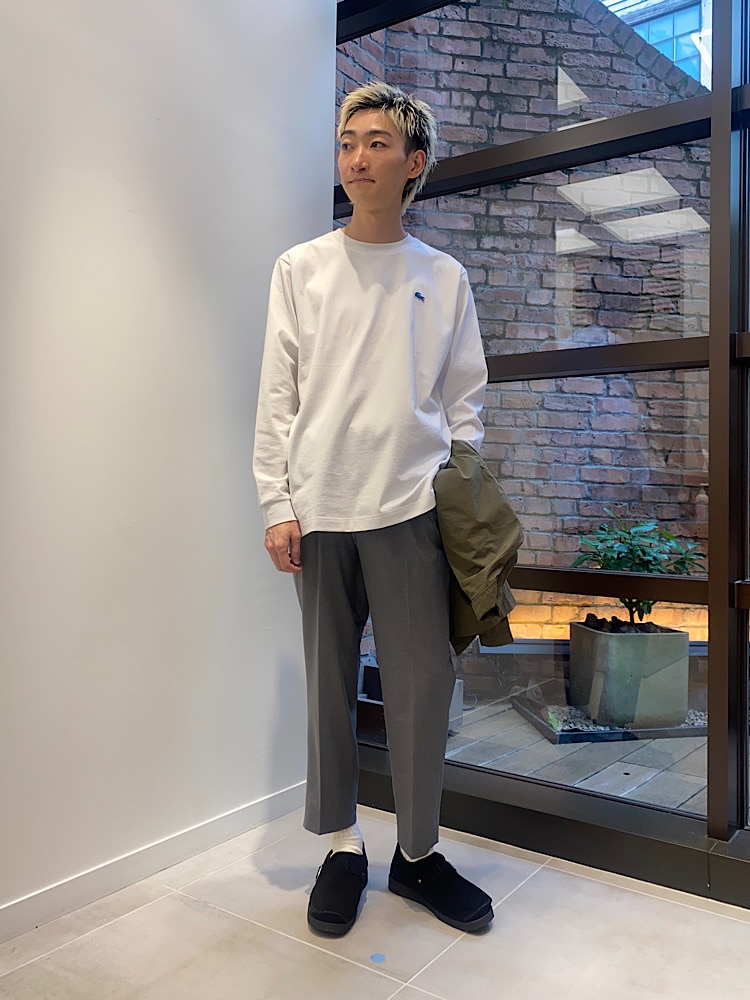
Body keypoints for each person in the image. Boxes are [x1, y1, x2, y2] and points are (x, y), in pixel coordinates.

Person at [253, 81, 493, 936]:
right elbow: (277, 395)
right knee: (330, 684)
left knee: (422, 687)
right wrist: (275, 502)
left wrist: (453, 480)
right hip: (319, 508)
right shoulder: (301, 268)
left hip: (411, 508)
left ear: (413, 162)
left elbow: (465, 399)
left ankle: (418, 855)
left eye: (377, 143)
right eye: (347, 142)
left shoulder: (444, 276)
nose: (357, 157)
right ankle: (343, 847)